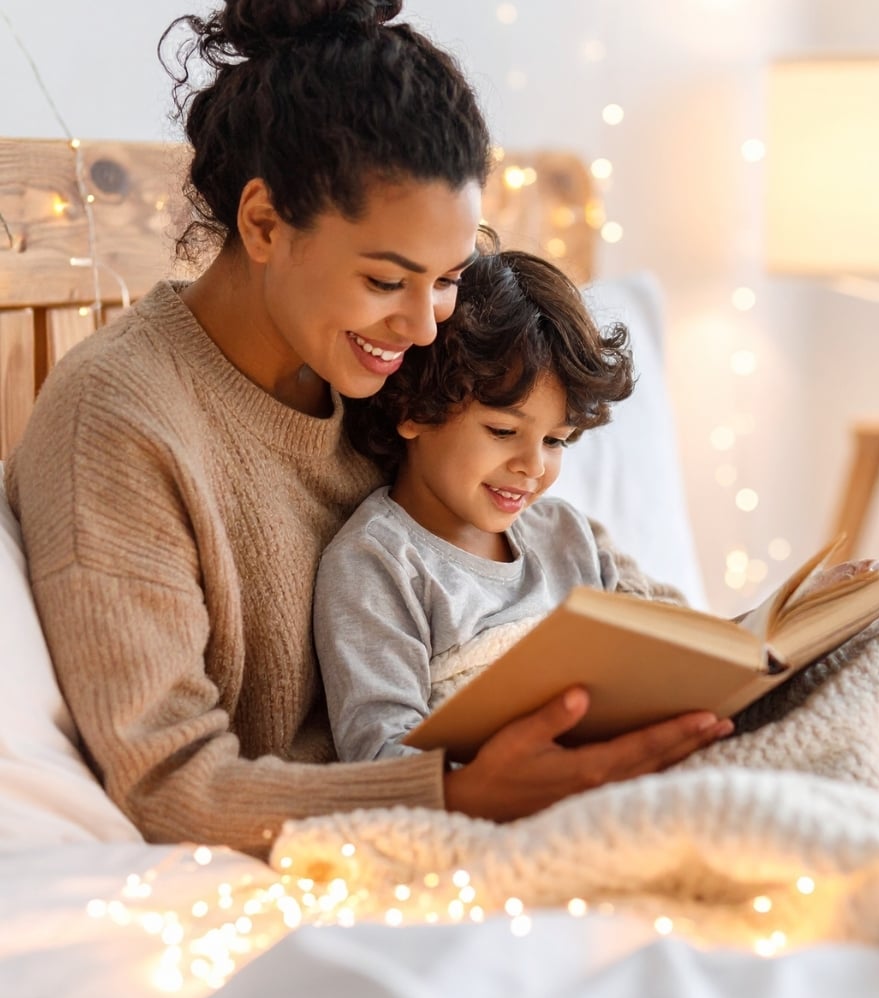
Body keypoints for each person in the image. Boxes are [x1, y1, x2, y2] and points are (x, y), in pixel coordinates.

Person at [2, 0, 733, 862]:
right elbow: (172, 785)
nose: (424, 325)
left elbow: (585, 565)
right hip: (390, 843)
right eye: (388, 280)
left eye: (449, 279)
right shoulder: (119, 421)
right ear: (265, 223)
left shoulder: (402, 372)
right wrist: (454, 796)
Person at [315, 246, 701, 762]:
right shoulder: (379, 562)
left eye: (556, 441)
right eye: (503, 431)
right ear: (415, 411)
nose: (534, 467)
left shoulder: (563, 532)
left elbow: (655, 647)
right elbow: (379, 753)